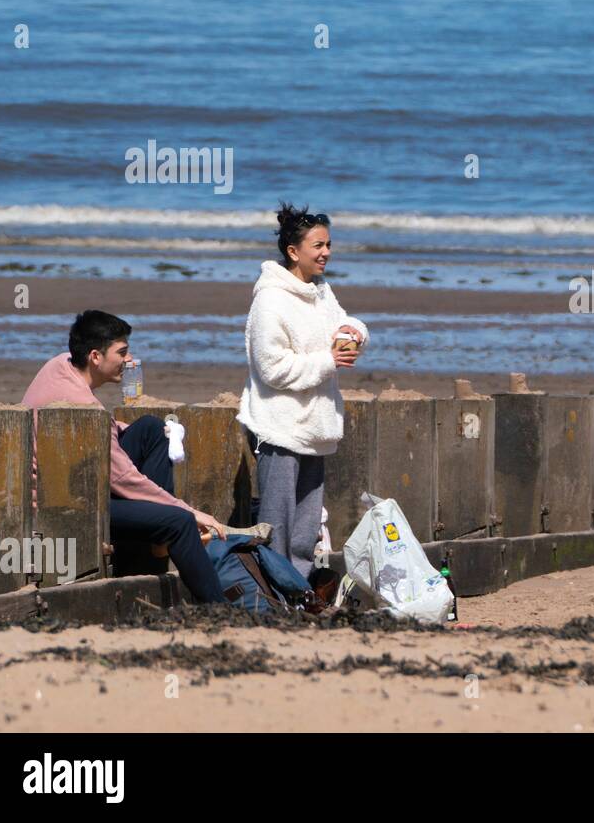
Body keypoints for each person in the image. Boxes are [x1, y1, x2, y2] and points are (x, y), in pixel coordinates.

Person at [21, 311, 228, 603]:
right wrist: (191, 512)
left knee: (152, 429)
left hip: (74, 480)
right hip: (69, 504)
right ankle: (218, 607)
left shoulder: (58, 365)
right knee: (179, 522)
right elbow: (125, 480)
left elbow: (99, 435)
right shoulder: (83, 407)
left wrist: (122, 429)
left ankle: (158, 540)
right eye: (122, 352)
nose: (129, 360)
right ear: (95, 356)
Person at [237, 203, 369, 581]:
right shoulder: (270, 300)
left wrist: (354, 334)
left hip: (316, 425)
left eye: (328, 244)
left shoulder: (321, 291)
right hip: (280, 426)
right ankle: (274, 592)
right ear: (293, 251)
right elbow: (272, 368)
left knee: (307, 526)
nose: (326, 252)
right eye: (318, 246)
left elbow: (346, 321)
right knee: (277, 524)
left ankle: (299, 589)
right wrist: (328, 361)